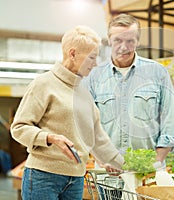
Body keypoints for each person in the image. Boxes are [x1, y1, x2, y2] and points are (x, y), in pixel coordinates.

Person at [10, 25, 124, 200]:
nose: (95, 64)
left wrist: (119, 162)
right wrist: (49, 138)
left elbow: (96, 136)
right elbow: (18, 128)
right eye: (92, 57)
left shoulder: (84, 94)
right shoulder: (43, 84)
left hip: (76, 179)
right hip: (43, 176)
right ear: (72, 54)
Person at [84, 13, 174, 169]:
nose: (124, 47)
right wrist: (101, 159)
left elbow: (172, 118)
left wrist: (157, 160)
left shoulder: (157, 72)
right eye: (118, 40)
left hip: (148, 171)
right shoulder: (93, 77)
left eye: (130, 41)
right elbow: (84, 124)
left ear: (138, 41)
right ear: (109, 40)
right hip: (108, 174)